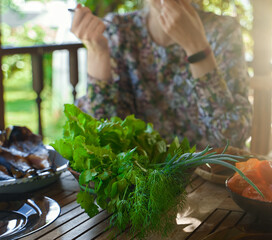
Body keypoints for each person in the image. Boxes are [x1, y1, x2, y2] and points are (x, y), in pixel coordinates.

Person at [71, 0, 252, 149]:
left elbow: (232, 139)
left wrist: (196, 46)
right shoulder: (118, 30)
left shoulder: (223, 31)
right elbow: (101, 139)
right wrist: (98, 52)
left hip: (210, 179)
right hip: (141, 181)